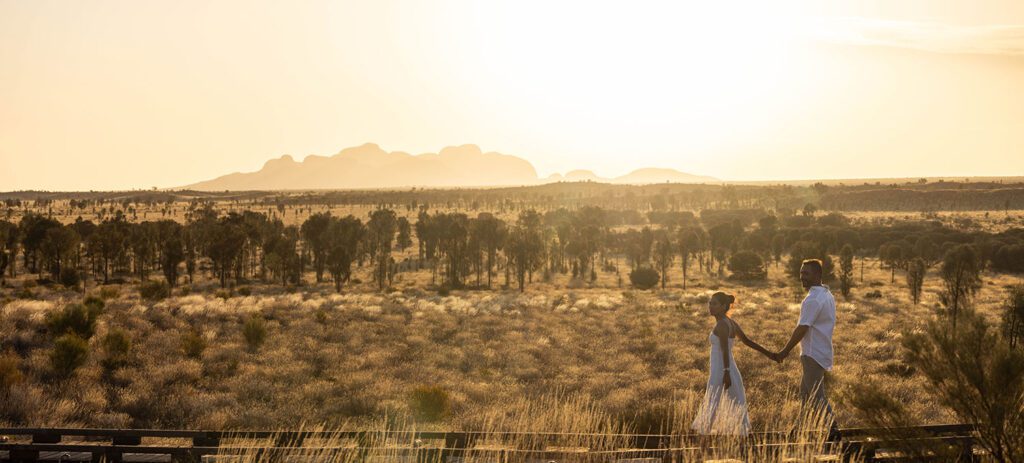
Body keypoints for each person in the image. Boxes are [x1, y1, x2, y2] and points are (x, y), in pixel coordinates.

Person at [692, 291, 779, 437]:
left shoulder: (722, 325)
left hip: (722, 369)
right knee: (730, 400)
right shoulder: (730, 322)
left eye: (714, 304)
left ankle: (703, 434)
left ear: (723, 306)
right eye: (710, 303)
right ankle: (734, 434)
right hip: (728, 368)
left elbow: (725, 349)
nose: (710, 306)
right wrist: (770, 354)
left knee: (714, 399)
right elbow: (748, 341)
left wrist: (725, 372)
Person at [775, 259, 839, 437]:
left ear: (818, 275)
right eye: (801, 273)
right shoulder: (826, 294)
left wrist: (784, 351)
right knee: (805, 394)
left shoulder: (813, 299)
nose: (802, 277)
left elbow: (802, 328)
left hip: (812, 353)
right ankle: (800, 430)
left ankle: (834, 431)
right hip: (821, 351)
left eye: (806, 273)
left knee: (816, 396)